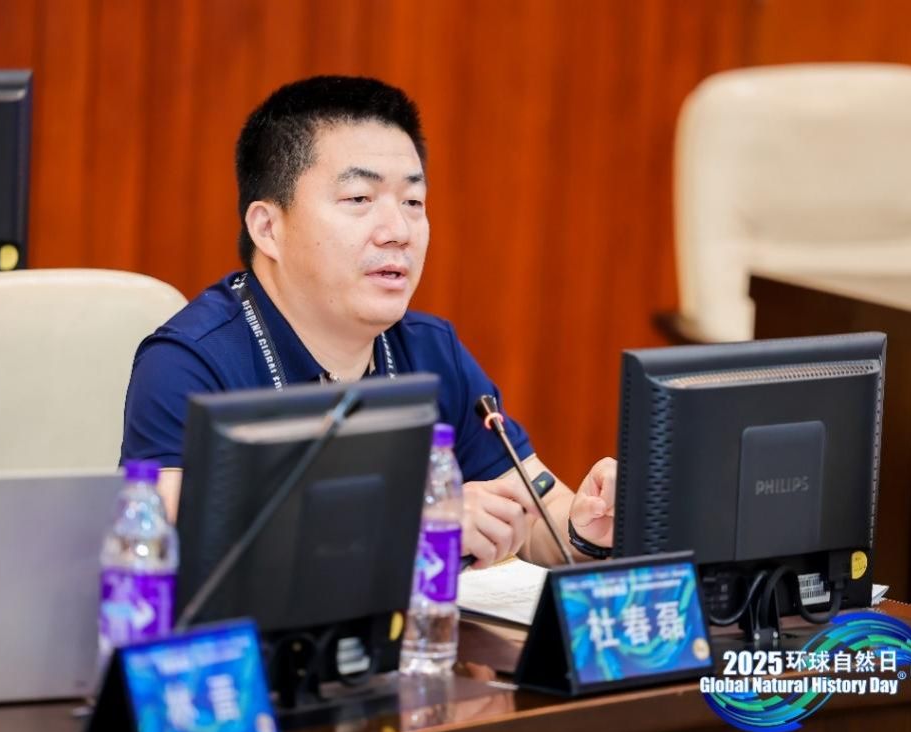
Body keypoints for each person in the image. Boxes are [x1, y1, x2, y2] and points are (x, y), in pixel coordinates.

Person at [121, 76, 615, 567]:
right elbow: (170, 546)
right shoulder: (189, 362)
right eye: (359, 199)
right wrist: (407, 525)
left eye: (413, 202)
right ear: (268, 229)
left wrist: (586, 526)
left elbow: (538, 512)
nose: (398, 231)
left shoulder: (431, 351)